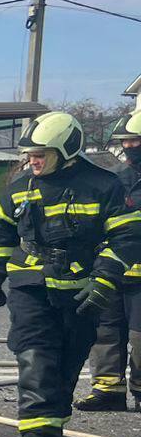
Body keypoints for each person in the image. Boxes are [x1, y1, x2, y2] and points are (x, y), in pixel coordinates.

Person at [0, 110, 141, 437]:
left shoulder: (103, 186)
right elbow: (2, 230)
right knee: (35, 357)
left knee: (65, 365)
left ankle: (50, 434)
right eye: (30, 155)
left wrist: (104, 280)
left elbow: (127, 237)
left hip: (81, 291)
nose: (33, 161)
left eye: (41, 154)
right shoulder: (21, 186)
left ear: (66, 151)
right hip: (31, 285)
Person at [74, 104, 141, 412]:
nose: (128, 146)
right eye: (125, 141)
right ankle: (108, 391)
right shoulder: (114, 180)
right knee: (105, 332)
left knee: (140, 339)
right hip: (112, 272)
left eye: (135, 140)